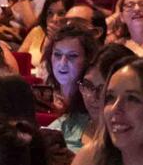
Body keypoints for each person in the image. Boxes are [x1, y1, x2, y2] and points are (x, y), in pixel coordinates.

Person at [40, 20, 99, 151]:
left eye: (72, 56)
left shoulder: (94, 106)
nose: (63, 63)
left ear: (88, 60)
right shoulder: (52, 100)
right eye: (57, 54)